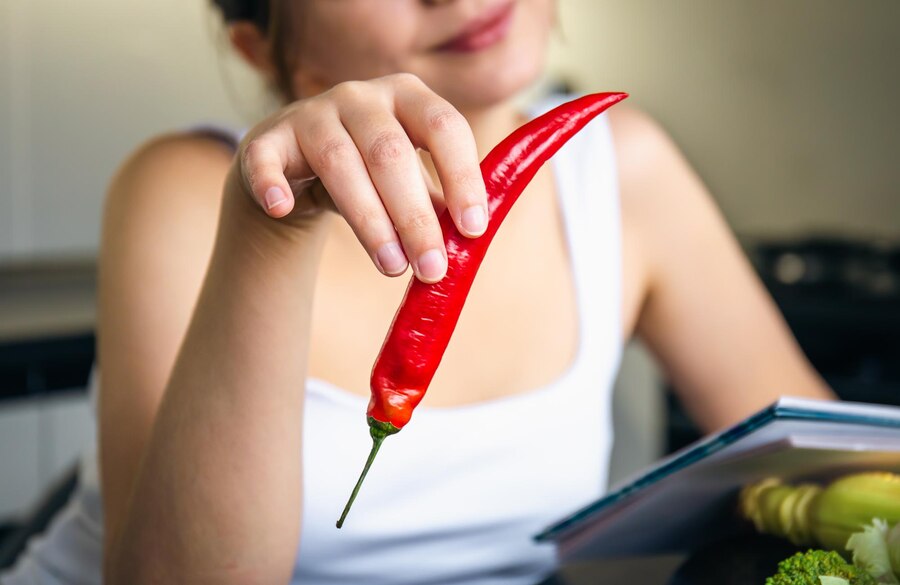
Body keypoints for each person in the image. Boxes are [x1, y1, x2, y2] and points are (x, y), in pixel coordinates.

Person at [1, 1, 834, 584]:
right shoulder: (184, 187)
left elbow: (836, 465)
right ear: (262, 45)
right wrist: (273, 233)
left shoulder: (621, 165)